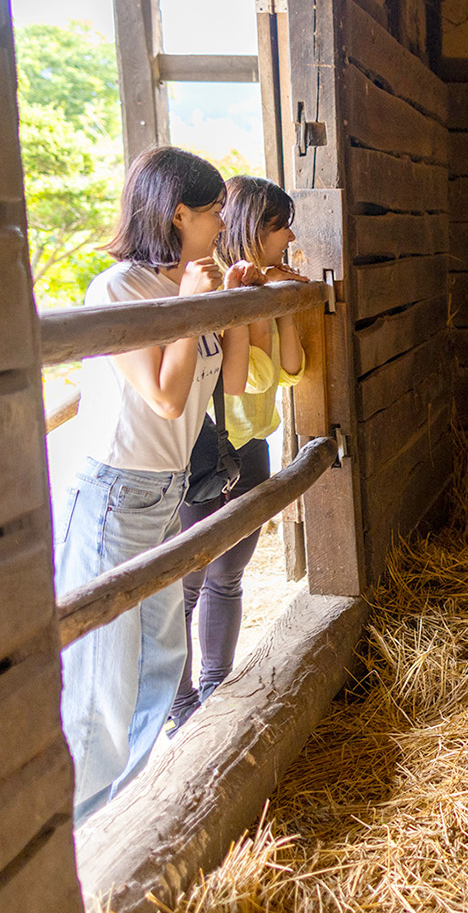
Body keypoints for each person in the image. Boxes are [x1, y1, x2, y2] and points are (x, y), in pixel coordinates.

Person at [56, 146, 256, 821]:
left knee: (159, 668)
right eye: (212, 214)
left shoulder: (187, 285)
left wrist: (228, 303)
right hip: (115, 494)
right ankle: (79, 844)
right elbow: (167, 401)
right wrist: (196, 306)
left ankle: (121, 823)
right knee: (99, 693)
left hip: (163, 492)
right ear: (178, 214)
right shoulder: (118, 290)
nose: (220, 227)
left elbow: (227, 386)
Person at [169, 176, 308, 731]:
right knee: (187, 583)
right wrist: (255, 305)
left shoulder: (261, 286)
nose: (291, 234)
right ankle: (180, 709)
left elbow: (292, 372)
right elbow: (247, 382)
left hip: (253, 448)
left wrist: (284, 304)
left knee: (229, 575)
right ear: (256, 228)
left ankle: (213, 692)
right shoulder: (219, 289)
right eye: (279, 225)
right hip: (208, 452)